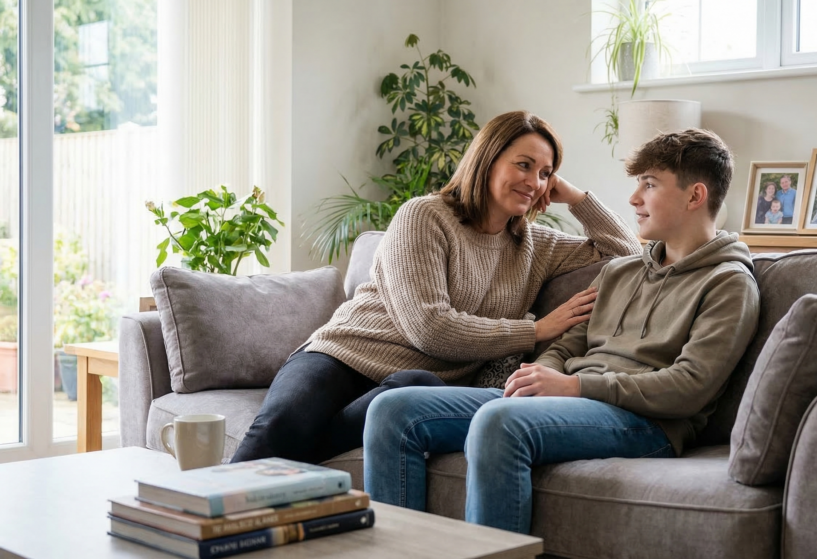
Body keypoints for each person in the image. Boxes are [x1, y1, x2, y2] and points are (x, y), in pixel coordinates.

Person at [363, 128, 760, 534]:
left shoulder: (728, 283)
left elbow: (690, 387)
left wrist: (575, 388)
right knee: (393, 410)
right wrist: (541, 377)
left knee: (499, 422)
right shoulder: (620, 271)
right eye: (637, 184)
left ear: (695, 196)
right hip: (570, 400)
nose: (634, 198)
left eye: (650, 184)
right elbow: (570, 342)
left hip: (647, 422)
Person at [230, 111, 642, 465]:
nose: (534, 181)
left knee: (414, 386)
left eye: (546, 173)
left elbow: (623, 252)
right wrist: (535, 331)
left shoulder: (536, 244)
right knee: (280, 427)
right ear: (488, 159)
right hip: (341, 356)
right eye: (523, 165)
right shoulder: (424, 216)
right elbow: (429, 327)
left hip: (412, 382)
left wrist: (576, 197)